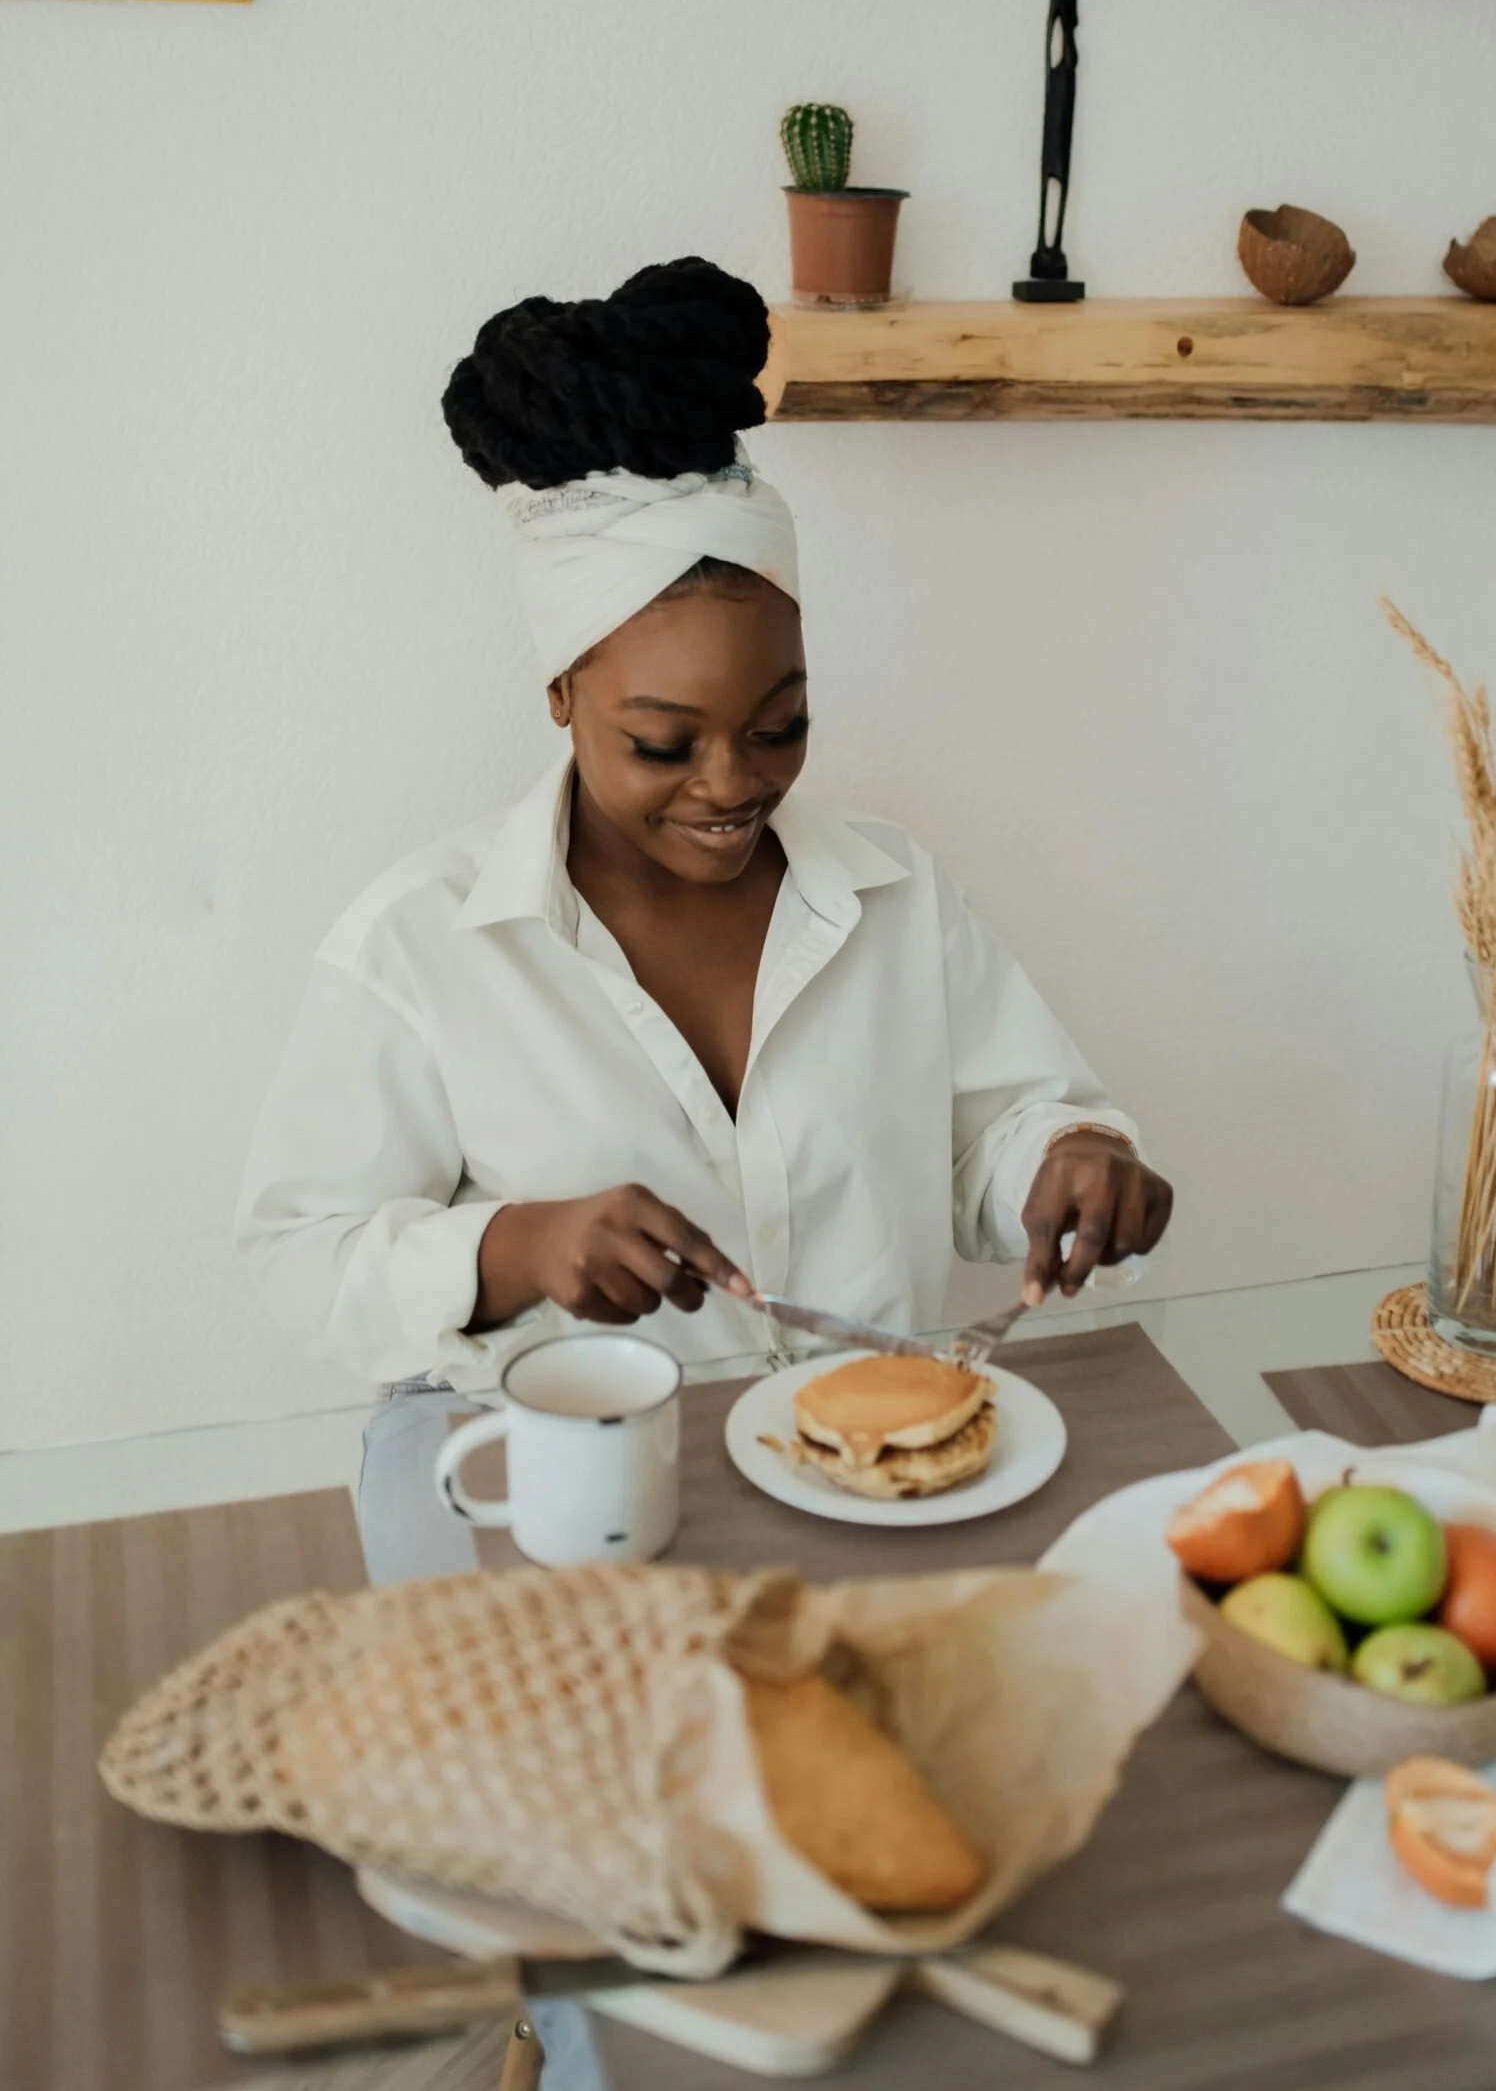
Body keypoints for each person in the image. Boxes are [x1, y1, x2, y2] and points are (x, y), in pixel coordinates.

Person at [237, 259, 1172, 1389]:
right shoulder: (419, 944)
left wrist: (1070, 1156)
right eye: (662, 744)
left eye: (779, 726)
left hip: (855, 1463)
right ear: (562, 697)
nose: (730, 784)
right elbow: (296, 1265)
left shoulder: (894, 892)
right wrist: (517, 1244)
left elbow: (999, 1128)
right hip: (576, 1497)